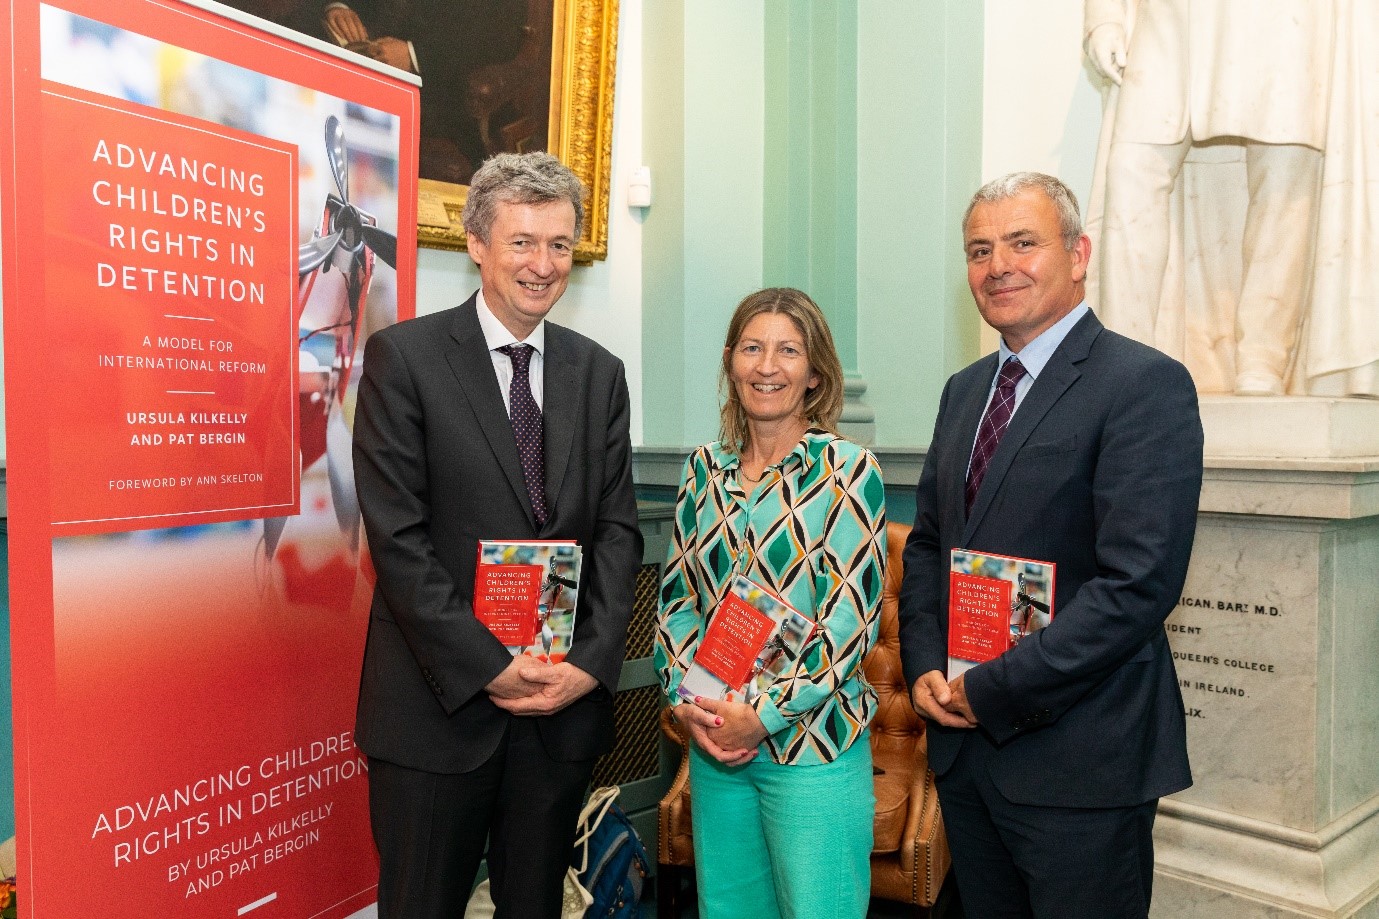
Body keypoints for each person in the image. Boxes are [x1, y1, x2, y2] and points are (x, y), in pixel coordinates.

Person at [898, 172, 1204, 918]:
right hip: (966, 757)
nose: (997, 264)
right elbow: (931, 548)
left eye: (1021, 242)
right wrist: (927, 668)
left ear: (1077, 254)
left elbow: (1135, 585)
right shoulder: (963, 390)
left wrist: (991, 689)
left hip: (1080, 762)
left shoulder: (1143, 384)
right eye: (978, 248)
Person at [352, 151, 641, 919]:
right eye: (521, 241)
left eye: (558, 244)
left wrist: (589, 662)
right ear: (476, 243)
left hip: (558, 711)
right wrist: (489, 666)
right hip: (436, 710)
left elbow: (616, 534)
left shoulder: (599, 373)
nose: (542, 265)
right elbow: (398, 539)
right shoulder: (403, 359)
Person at [654, 288, 887, 919]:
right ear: (730, 360)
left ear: (815, 373)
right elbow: (677, 602)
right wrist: (689, 703)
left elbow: (850, 627)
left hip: (812, 747)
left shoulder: (848, 471)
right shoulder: (703, 471)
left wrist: (761, 714)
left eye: (788, 350)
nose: (767, 366)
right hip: (715, 745)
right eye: (752, 347)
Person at [1083, 0, 1379, 398]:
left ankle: (1263, 358)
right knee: (1131, 167)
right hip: (1169, 17)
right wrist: (1104, 17)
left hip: (1289, 19)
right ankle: (1123, 361)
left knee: (1284, 174)